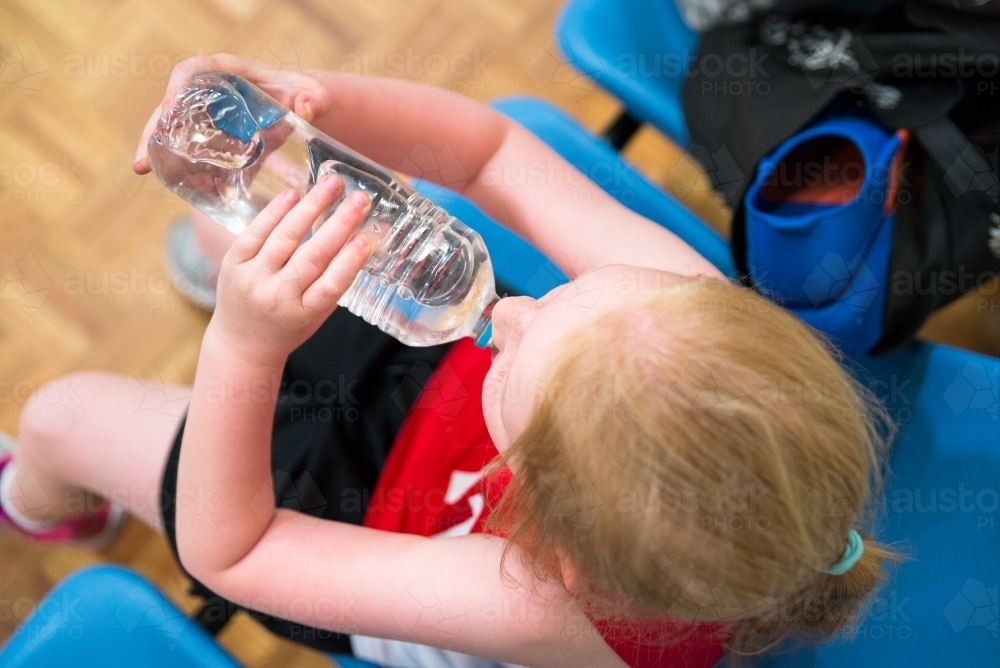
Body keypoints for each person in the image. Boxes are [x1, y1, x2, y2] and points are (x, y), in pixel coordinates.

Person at [0, 55, 896, 668]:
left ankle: (50, 508)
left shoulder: (532, 601)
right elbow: (491, 149)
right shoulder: (680, 317)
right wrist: (319, 104)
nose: (511, 310)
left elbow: (235, 549)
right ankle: (231, 266)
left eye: (521, 353)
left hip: (342, 520)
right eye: (557, 301)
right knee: (229, 200)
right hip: (428, 361)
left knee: (59, 419)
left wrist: (245, 344)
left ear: (545, 531)